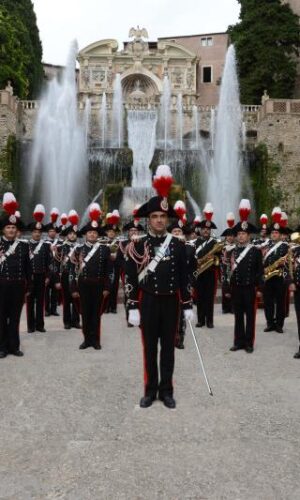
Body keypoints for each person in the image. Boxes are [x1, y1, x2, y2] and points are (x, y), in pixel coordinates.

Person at [125, 165, 193, 409]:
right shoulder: (138, 245)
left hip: (171, 301)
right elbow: (131, 277)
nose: (158, 220)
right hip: (149, 301)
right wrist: (132, 306)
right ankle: (149, 390)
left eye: (162, 217)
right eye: (154, 217)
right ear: (148, 219)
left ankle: (166, 391)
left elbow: (185, 276)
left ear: (168, 219)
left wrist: (186, 303)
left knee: (168, 349)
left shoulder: (177, 245)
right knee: (149, 348)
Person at [222, 199, 263, 353]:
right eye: (238, 234)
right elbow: (227, 272)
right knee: (238, 316)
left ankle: (249, 343)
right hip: (237, 288)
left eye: (243, 234)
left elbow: (260, 271)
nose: (240, 236)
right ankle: (238, 341)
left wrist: (260, 288)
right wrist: (227, 288)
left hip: (250, 288)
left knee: (250, 317)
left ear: (248, 235)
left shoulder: (255, 251)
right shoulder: (232, 251)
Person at [73, 203, 111, 350]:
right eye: (90, 233)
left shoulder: (105, 250)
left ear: (98, 235)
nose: (92, 235)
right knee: (85, 312)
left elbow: (109, 271)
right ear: (85, 235)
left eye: (95, 233)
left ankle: (95, 340)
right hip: (83, 284)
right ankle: (86, 339)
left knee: (96, 314)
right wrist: (73, 287)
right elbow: (73, 270)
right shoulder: (79, 250)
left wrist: (107, 287)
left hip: (99, 285)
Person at [0, 193, 30, 358]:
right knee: (2, 317)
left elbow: (28, 268)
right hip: (2, 285)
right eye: (8, 228)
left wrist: (29, 286)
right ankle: (2, 347)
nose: (11, 230)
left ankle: (14, 346)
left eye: (13, 228)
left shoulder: (23, 247)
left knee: (15, 318)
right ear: (4, 229)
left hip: (18, 286)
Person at [193, 203, 221, 328]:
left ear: (210, 231)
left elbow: (219, 259)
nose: (206, 230)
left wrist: (214, 258)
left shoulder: (215, 243)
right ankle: (200, 320)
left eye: (208, 229)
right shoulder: (196, 242)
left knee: (209, 298)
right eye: (204, 229)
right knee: (199, 298)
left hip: (210, 273)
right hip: (199, 273)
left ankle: (210, 321)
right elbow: (192, 258)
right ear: (200, 230)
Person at [262, 208, 290, 334]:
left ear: (280, 234)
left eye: (276, 233)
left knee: (280, 302)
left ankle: (279, 324)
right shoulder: (265, 246)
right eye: (272, 232)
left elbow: (288, 264)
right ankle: (270, 323)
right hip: (268, 277)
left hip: (279, 278)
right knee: (267, 301)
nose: (274, 234)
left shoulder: (285, 246)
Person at [26, 204, 51, 333]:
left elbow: (48, 263)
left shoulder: (46, 246)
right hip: (30, 278)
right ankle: (30, 326)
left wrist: (47, 276)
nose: (37, 234)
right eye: (35, 232)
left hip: (41, 276)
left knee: (40, 301)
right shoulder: (25, 246)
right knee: (30, 301)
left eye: (39, 232)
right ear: (32, 233)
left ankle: (40, 325)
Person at [56, 210, 81, 330]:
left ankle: (76, 321)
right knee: (66, 299)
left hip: (76, 276)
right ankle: (66, 321)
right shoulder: (61, 247)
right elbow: (57, 263)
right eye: (70, 234)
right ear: (67, 235)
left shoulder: (81, 248)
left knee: (76, 298)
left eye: (74, 234)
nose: (72, 236)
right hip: (66, 275)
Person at [220, 213, 236, 314]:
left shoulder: (236, 246)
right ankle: (225, 308)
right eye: (228, 236)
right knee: (225, 286)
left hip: (233, 267)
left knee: (233, 287)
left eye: (232, 236)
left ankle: (233, 307)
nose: (230, 237)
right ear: (226, 237)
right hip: (225, 268)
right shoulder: (222, 247)